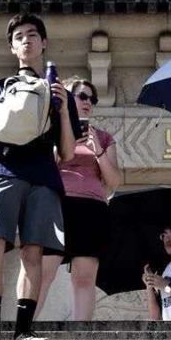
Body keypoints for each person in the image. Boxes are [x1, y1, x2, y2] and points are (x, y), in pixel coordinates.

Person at [0, 13, 80, 340]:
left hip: (42, 176)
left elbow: (67, 153)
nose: (26, 40)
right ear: (12, 47)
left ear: (44, 43)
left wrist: (65, 108)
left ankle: (24, 331)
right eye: (20, 36)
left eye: (33, 35)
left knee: (33, 253)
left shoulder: (57, 95)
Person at [38, 77, 121, 320]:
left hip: (92, 207)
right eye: (82, 96)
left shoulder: (103, 137)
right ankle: (25, 328)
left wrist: (98, 150)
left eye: (92, 99)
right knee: (44, 271)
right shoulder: (50, 130)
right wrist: (64, 139)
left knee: (84, 277)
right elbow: (44, 168)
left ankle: (81, 330)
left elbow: (114, 181)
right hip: (58, 203)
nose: (88, 102)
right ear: (66, 98)